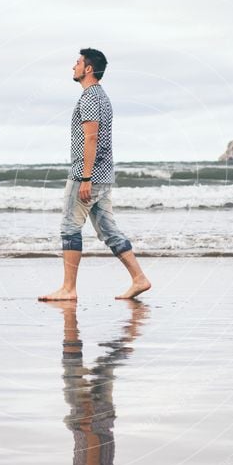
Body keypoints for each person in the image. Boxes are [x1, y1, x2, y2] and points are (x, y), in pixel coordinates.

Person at [38, 48, 151, 301]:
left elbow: (91, 137)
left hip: (85, 174)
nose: (73, 67)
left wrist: (86, 178)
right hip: (104, 173)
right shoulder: (102, 97)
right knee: (108, 230)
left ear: (88, 69)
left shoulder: (90, 97)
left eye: (77, 63)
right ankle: (139, 279)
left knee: (69, 227)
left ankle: (68, 289)